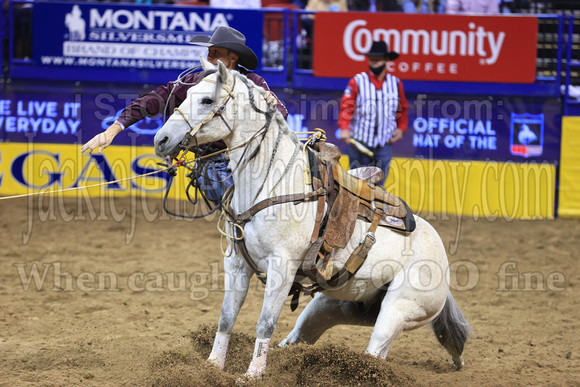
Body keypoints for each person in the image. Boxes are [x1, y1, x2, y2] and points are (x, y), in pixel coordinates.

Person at [82, 26, 288, 202]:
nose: (209, 57)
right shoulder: (195, 81)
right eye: (209, 52)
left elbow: (281, 113)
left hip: (249, 161)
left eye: (215, 53)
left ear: (232, 58)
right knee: (228, 192)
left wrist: (269, 105)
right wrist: (113, 129)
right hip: (214, 164)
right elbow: (152, 100)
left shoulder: (252, 82)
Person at [338, 41, 408, 185]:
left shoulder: (395, 83)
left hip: (384, 143)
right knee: (357, 187)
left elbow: (402, 108)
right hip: (360, 143)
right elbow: (347, 106)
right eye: (372, 59)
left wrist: (401, 128)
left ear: (387, 60)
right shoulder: (357, 81)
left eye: (378, 59)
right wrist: (344, 128)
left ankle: (375, 208)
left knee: (379, 189)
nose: (374, 63)